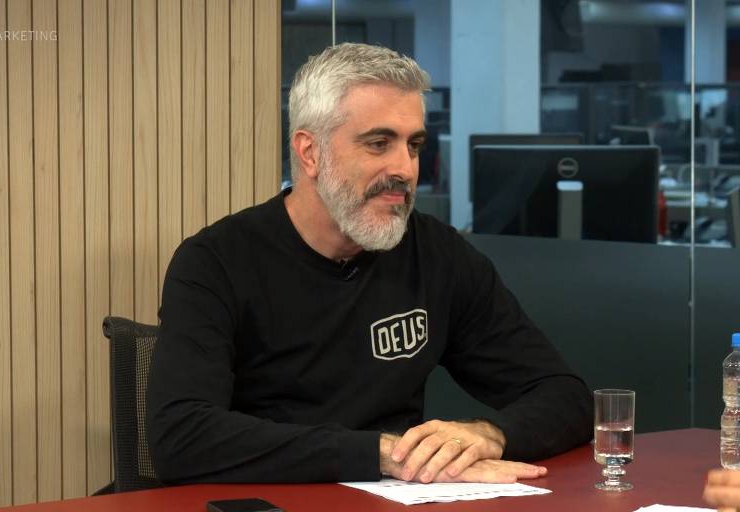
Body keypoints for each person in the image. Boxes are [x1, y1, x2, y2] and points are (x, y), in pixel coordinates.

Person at [147, 43, 592, 485]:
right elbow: (182, 435)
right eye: (379, 143)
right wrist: (381, 452)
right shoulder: (216, 261)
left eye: (413, 145)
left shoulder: (438, 254)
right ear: (310, 153)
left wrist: (490, 434)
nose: (405, 168)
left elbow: (566, 397)